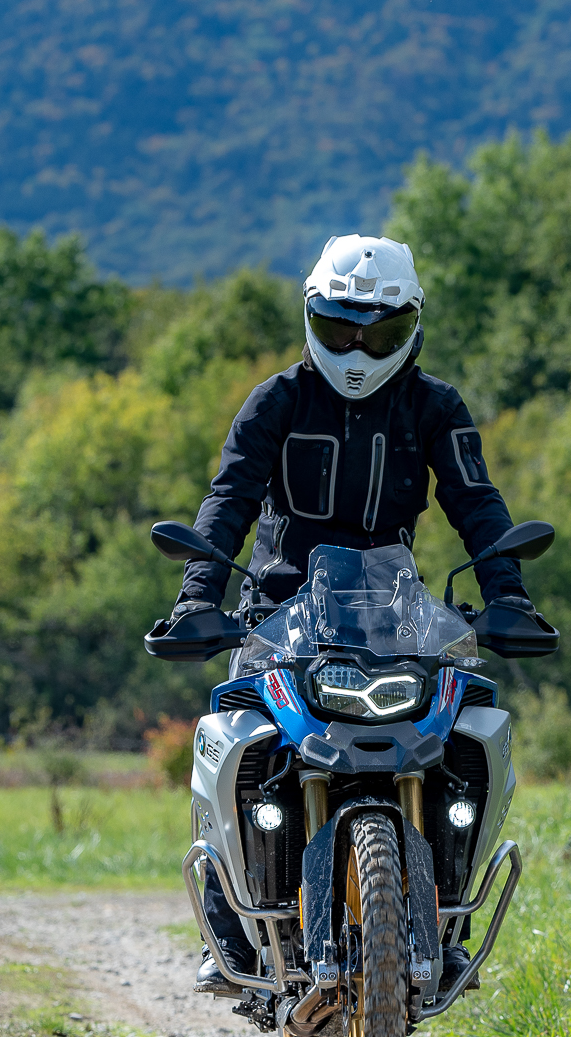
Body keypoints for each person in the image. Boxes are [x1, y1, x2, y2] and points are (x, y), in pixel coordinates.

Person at [165, 233, 542, 996]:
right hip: (278, 613)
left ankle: (446, 924)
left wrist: (509, 597)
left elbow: (477, 504)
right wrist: (196, 598)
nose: (358, 349)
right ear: (311, 317)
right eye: (341, 329)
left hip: (396, 618)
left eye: (380, 332)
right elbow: (229, 499)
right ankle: (232, 931)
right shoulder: (276, 400)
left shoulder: (434, 405)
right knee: (232, 738)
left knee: (468, 734)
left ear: (413, 325)